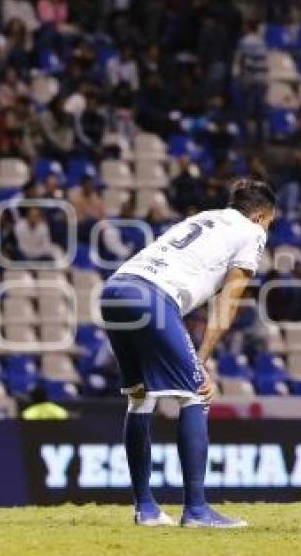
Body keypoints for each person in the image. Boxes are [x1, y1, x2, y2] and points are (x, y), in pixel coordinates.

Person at [100, 178, 274, 528]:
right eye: (270, 222)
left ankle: (146, 509)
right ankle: (196, 510)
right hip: (152, 297)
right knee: (196, 395)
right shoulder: (251, 232)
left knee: (140, 399)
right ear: (259, 217)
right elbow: (229, 302)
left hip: (116, 289)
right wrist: (203, 357)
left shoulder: (205, 218)